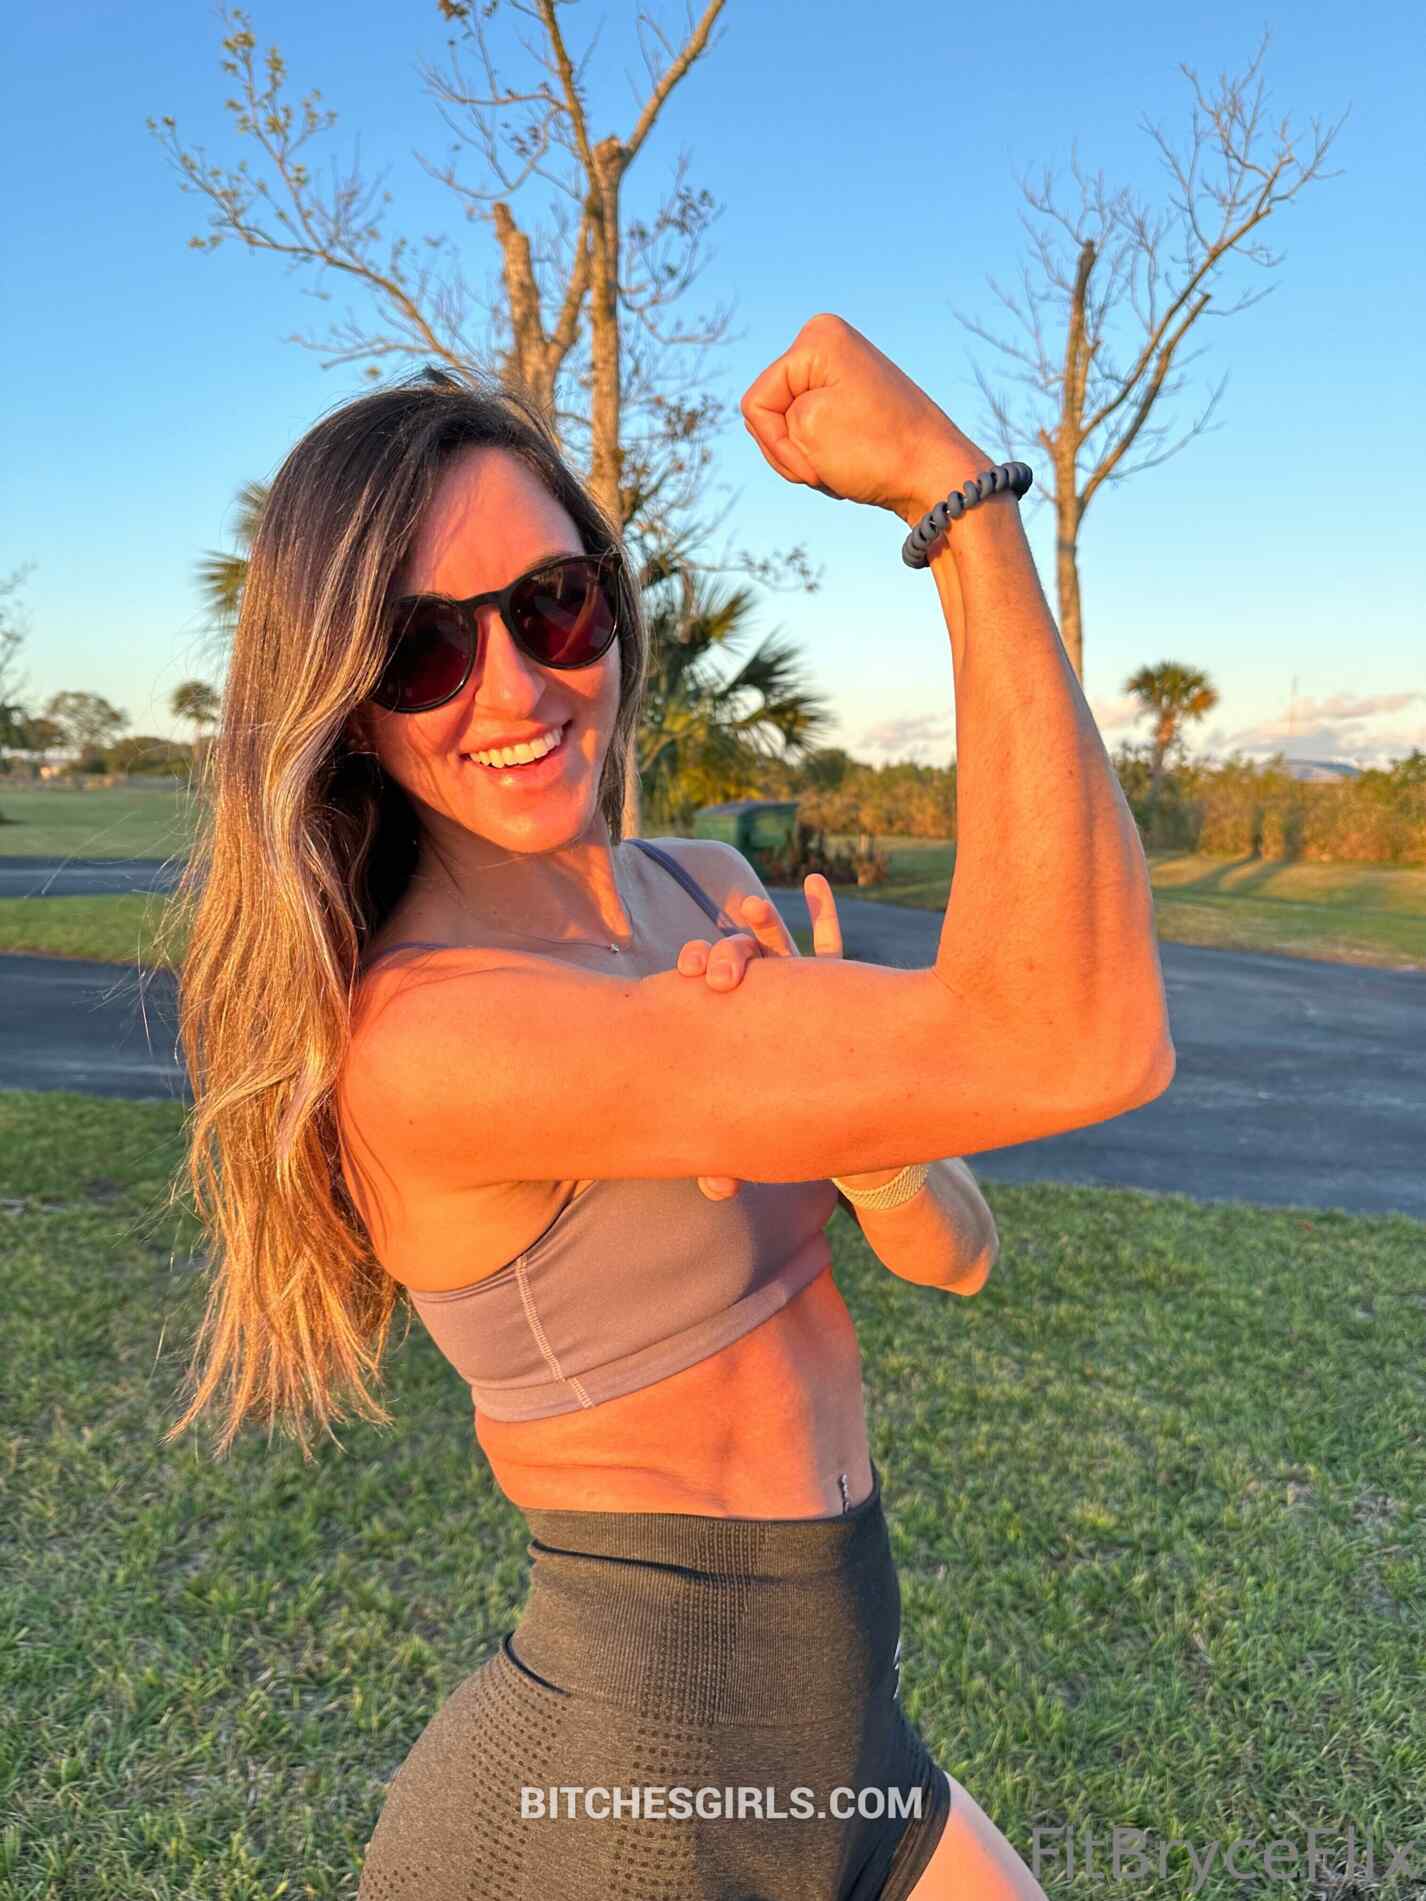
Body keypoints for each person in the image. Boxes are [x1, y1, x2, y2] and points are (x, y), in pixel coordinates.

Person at [163, 313, 1174, 1898]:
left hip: (844, 1743)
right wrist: (955, 495)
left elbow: (957, 1252)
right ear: (349, 700)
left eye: (549, 606)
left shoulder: (702, 888)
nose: (514, 684)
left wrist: (864, 1137)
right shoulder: (431, 1036)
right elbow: (1080, 1033)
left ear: (611, 611)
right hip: (620, 1807)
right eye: (423, 648)